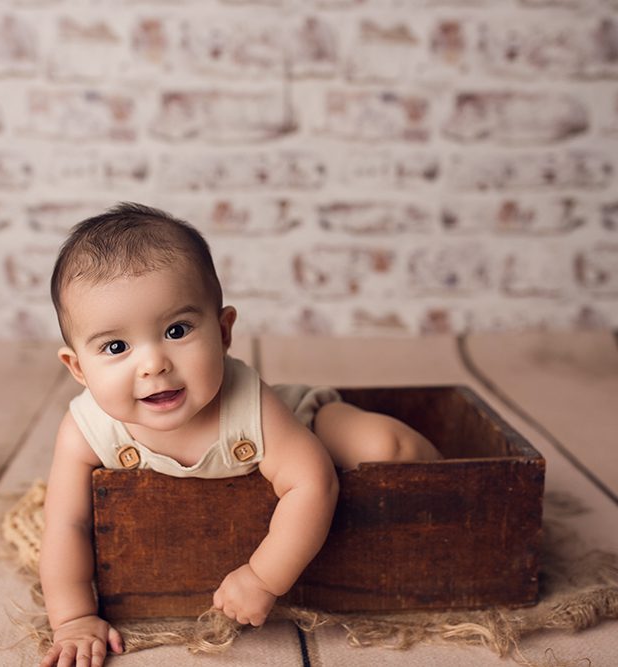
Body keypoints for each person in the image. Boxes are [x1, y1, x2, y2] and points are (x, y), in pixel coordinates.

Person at [39, 202, 441, 667]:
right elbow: (66, 524)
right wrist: (72, 618)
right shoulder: (86, 430)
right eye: (116, 346)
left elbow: (313, 482)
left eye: (177, 329)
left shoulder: (252, 403)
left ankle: (461, 486)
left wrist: (264, 577)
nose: (153, 364)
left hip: (304, 424)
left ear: (224, 332)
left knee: (387, 447)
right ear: (78, 368)